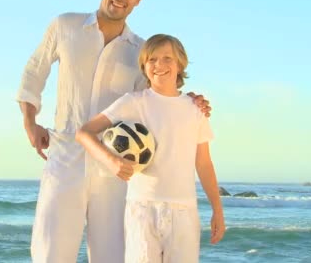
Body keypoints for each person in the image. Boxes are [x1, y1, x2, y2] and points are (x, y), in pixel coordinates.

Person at [16, 0, 211, 263]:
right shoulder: (65, 25)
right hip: (64, 157)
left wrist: (191, 99)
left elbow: (157, 95)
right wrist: (30, 122)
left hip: (116, 168)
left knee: (113, 257)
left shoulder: (140, 50)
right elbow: (33, 71)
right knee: (49, 253)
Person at [75, 34, 225, 263]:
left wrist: (217, 209)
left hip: (184, 210)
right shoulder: (133, 102)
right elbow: (84, 132)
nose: (159, 65)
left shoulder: (195, 110)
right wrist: (112, 161)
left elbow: (203, 163)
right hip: (142, 208)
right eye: (152, 59)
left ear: (180, 64)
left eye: (167, 58)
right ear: (144, 66)